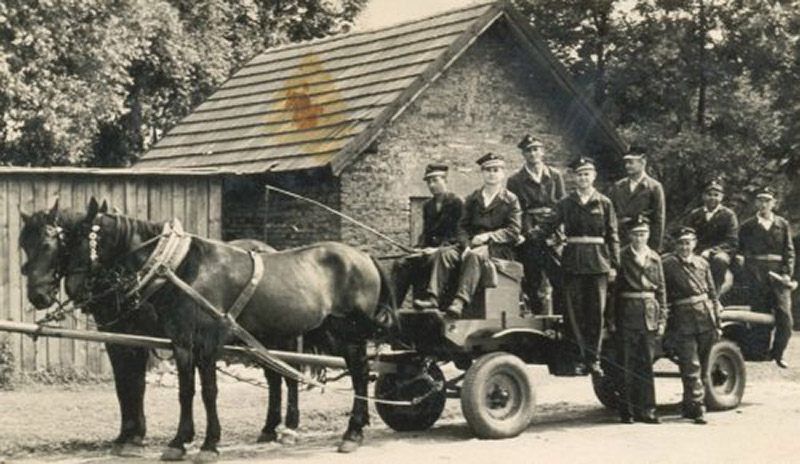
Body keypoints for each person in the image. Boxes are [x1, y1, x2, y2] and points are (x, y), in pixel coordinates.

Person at [414, 153, 522, 318]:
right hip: (472, 245)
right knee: (444, 253)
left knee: (473, 256)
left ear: (502, 174)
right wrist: (465, 245)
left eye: (496, 170)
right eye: (487, 170)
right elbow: (462, 227)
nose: (491, 174)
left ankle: (460, 301)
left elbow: (514, 231)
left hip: (498, 248)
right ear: (482, 173)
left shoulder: (511, 200)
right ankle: (433, 298)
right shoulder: (473, 199)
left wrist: (488, 237)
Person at [556, 157, 619, 376]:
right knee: (575, 313)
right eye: (579, 174)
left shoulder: (604, 203)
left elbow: (613, 235)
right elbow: (550, 226)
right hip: (573, 262)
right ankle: (578, 359)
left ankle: (594, 359)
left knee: (595, 313)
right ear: (574, 178)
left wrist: (614, 265)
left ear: (594, 177)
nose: (583, 178)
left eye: (587, 174)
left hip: (597, 262)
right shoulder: (566, 203)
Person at [609, 215, 666, 424]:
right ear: (629, 236)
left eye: (643, 234)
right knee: (626, 365)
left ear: (648, 235)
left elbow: (661, 291)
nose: (639, 238)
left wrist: (662, 320)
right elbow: (613, 292)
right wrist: (612, 319)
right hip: (627, 313)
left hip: (649, 315)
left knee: (646, 366)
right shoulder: (622, 256)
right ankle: (627, 411)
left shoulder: (655, 258)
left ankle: (648, 410)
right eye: (635, 234)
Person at [663, 226, 722, 425]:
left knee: (704, 364)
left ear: (695, 244)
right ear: (675, 245)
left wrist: (717, 320)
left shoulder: (702, 263)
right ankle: (698, 408)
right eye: (681, 243)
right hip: (683, 319)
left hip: (706, 318)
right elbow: (662, 292)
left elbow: (713, 294)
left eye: (688, 242)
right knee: (691, 365)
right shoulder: (668, 264)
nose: (685, 247)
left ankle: (690, 404)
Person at [506, 134, 566, 315]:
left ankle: (560, 321)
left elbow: (561, 206)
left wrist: (556, 231)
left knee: (559, 278)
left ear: (542, 152)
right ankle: (539, 319)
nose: (533, 154)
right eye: (528, 151)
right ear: (523, 155)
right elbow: (515, 211)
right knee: (533, 279)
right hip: (529, 233)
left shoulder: (554, 176)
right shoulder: (515, 180)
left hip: (552, 233)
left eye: (536, 149)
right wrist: (525, 233)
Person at [737, 186, 795, 368]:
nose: (764, 204)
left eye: (767, 200)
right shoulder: (747, 225)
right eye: (760, 200)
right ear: (756, 203)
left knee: (785, 318)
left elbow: (789, 251)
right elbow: (739, 251)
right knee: (760, 316)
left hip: (778, 276)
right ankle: (760, 353)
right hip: (756, 274)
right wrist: (747, 270)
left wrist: (787, 273)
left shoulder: (782, 224)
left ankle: (778, 353)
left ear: (774, 203)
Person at [411, 164, 464, 298]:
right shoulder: (428, 205)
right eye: (429, 182)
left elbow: (459, 234)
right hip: (432, 249)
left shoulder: (457, 203)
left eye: (435, 180)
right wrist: (419, 248)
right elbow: (426, 233)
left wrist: (437, 249)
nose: (431, 185)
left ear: (445, 181)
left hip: (453, 248)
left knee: (440, 256)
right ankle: (391, 306)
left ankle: (433, 298)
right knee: (404, 262)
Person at [683, 178, 738, 294]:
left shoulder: (728, 215)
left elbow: (732, 241)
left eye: (716, 195)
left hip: (720, 252)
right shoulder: (695, 214)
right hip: (697, 250)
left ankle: (716, 295)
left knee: (720, 260)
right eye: (709, 194)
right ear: (703, 196)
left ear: (721, 197)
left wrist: (711, 251)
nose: (712, 198)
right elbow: (688, 234)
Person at [609, 147, 666, 251]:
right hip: (620, 240)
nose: (627, 166)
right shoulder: (618, 186)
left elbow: (659, 220)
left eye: (631, 163)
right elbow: (611, 215)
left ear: (643, 161)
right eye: (626, 163)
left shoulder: (654, 187)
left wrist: (655, 248)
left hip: (641, 240)